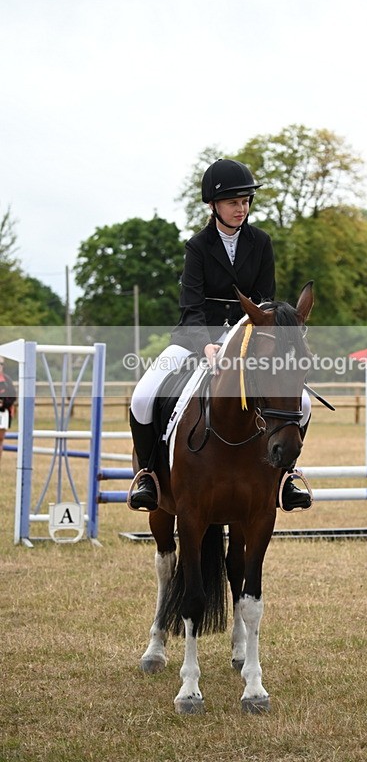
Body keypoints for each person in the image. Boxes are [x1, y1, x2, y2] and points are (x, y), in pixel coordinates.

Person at [129, 158, 312, 512]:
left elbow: (264, 302)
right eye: (233, 201)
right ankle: (149, 476)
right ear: (214, 206)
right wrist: (205, 344)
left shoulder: (261, 242)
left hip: (249, 338)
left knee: (300, 402)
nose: (241, 208)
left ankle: (287, 476)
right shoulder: (197, 246)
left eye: (245, 200)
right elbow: (191, 305)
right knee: (143, 396)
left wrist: (252, 338)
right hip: (196, 336)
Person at [0, 357, 17, 466]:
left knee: (0, 438)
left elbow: (13, 396)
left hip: (3, 413)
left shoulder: (7, 380)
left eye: (1, 364)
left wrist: (3, 403)